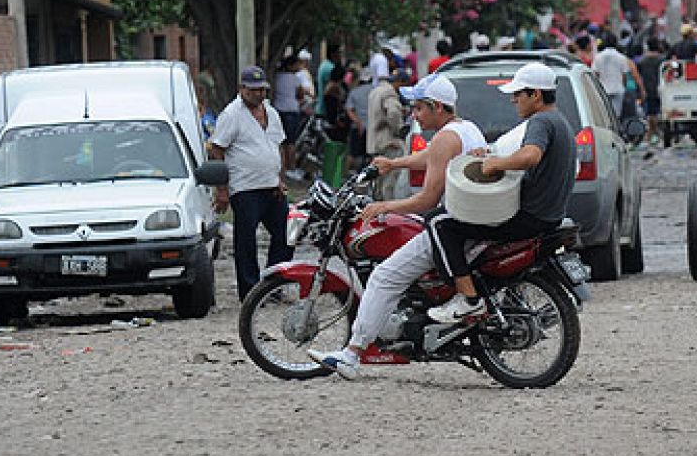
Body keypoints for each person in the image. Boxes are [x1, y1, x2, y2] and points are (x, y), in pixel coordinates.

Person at [307, 74, 488, 378]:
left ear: (437, 107)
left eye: (419, 108)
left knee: (384, 277)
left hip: (452, 224)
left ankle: (352, 355)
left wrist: (383, 207)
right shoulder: (464, 129)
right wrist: (393, 165)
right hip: (468, 221)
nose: (414, 115)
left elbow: (427, 198)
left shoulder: (446, 137)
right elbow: (430, 157)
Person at [425, 63, 575, 323]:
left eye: (518, 94)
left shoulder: (540, 121)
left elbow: (530, 155)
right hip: (548, 216)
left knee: (439, 223)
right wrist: (493, 155)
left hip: (528, 218)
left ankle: (468, 299)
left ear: (536, 95)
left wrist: (496, 164)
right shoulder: (560, 121)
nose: (514, 99)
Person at [208, 66, 293, 300]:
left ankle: (274, 284)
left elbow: (278, 146)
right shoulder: (232, 114)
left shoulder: (271, 113)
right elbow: (218, 149)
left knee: (287, 233)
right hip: (245, 187)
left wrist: (281, 178)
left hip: (271, 185)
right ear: (242, 89)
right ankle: (251, 292)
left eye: (262, 90)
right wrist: (222, 190)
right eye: (253, 90)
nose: (258, 94)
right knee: (246, 241)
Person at [367, 68, 412, 197]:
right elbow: (392, 113)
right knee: (389, 182)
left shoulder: (376, 91)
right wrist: (399, 130)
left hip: (375, 142)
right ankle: (387, 212)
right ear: (400, 82)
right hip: (389, 142)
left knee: (378, 183)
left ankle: (377, 210)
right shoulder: (390, 93)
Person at [592, 34, 640, 129]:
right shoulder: (621, 57)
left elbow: (595, 74)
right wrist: (624, 86)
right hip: (618, 89)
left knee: (605, 115)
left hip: (603, 90)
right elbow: (624, 75)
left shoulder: (598, 57)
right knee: (616, 116)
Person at [637, 38, 667, 143]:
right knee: (657, 112)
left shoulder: (641, 61)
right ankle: (655, 133)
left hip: (646, 89)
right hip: (660, 88)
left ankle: (652, 134)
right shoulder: (662, 59)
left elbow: (639, 76)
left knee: (650, 113)